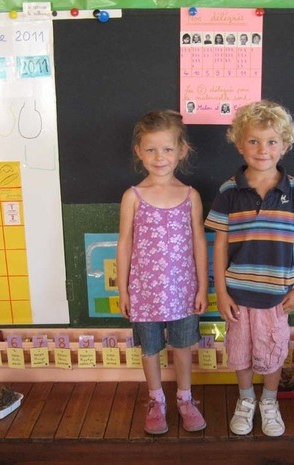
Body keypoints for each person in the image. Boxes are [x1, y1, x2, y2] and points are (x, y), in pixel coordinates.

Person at [205, 100, 294, 437]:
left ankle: (269, 401)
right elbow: (221, 243)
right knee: (239, 351)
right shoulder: (229, 191)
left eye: (272, 141)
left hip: (277, 296)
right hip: (238, 294)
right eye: (253, 141)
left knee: (272, 351)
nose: (262, 149)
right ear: (240, 144)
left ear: (284, 146)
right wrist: (221, 291)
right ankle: (246, 399)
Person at [117, 110, 208, 435]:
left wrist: (201, 288)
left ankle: (185, 398)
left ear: (182, 151)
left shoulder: (190, 196)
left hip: (183, 292)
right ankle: (156, 400)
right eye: (151, 149)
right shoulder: (133, 197)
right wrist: (123, 291)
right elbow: (124, 244)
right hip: (144, 294)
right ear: (138, 151)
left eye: (167, 149)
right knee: (150, 348)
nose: (160, 157)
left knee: (183, 347)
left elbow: (199, 243)